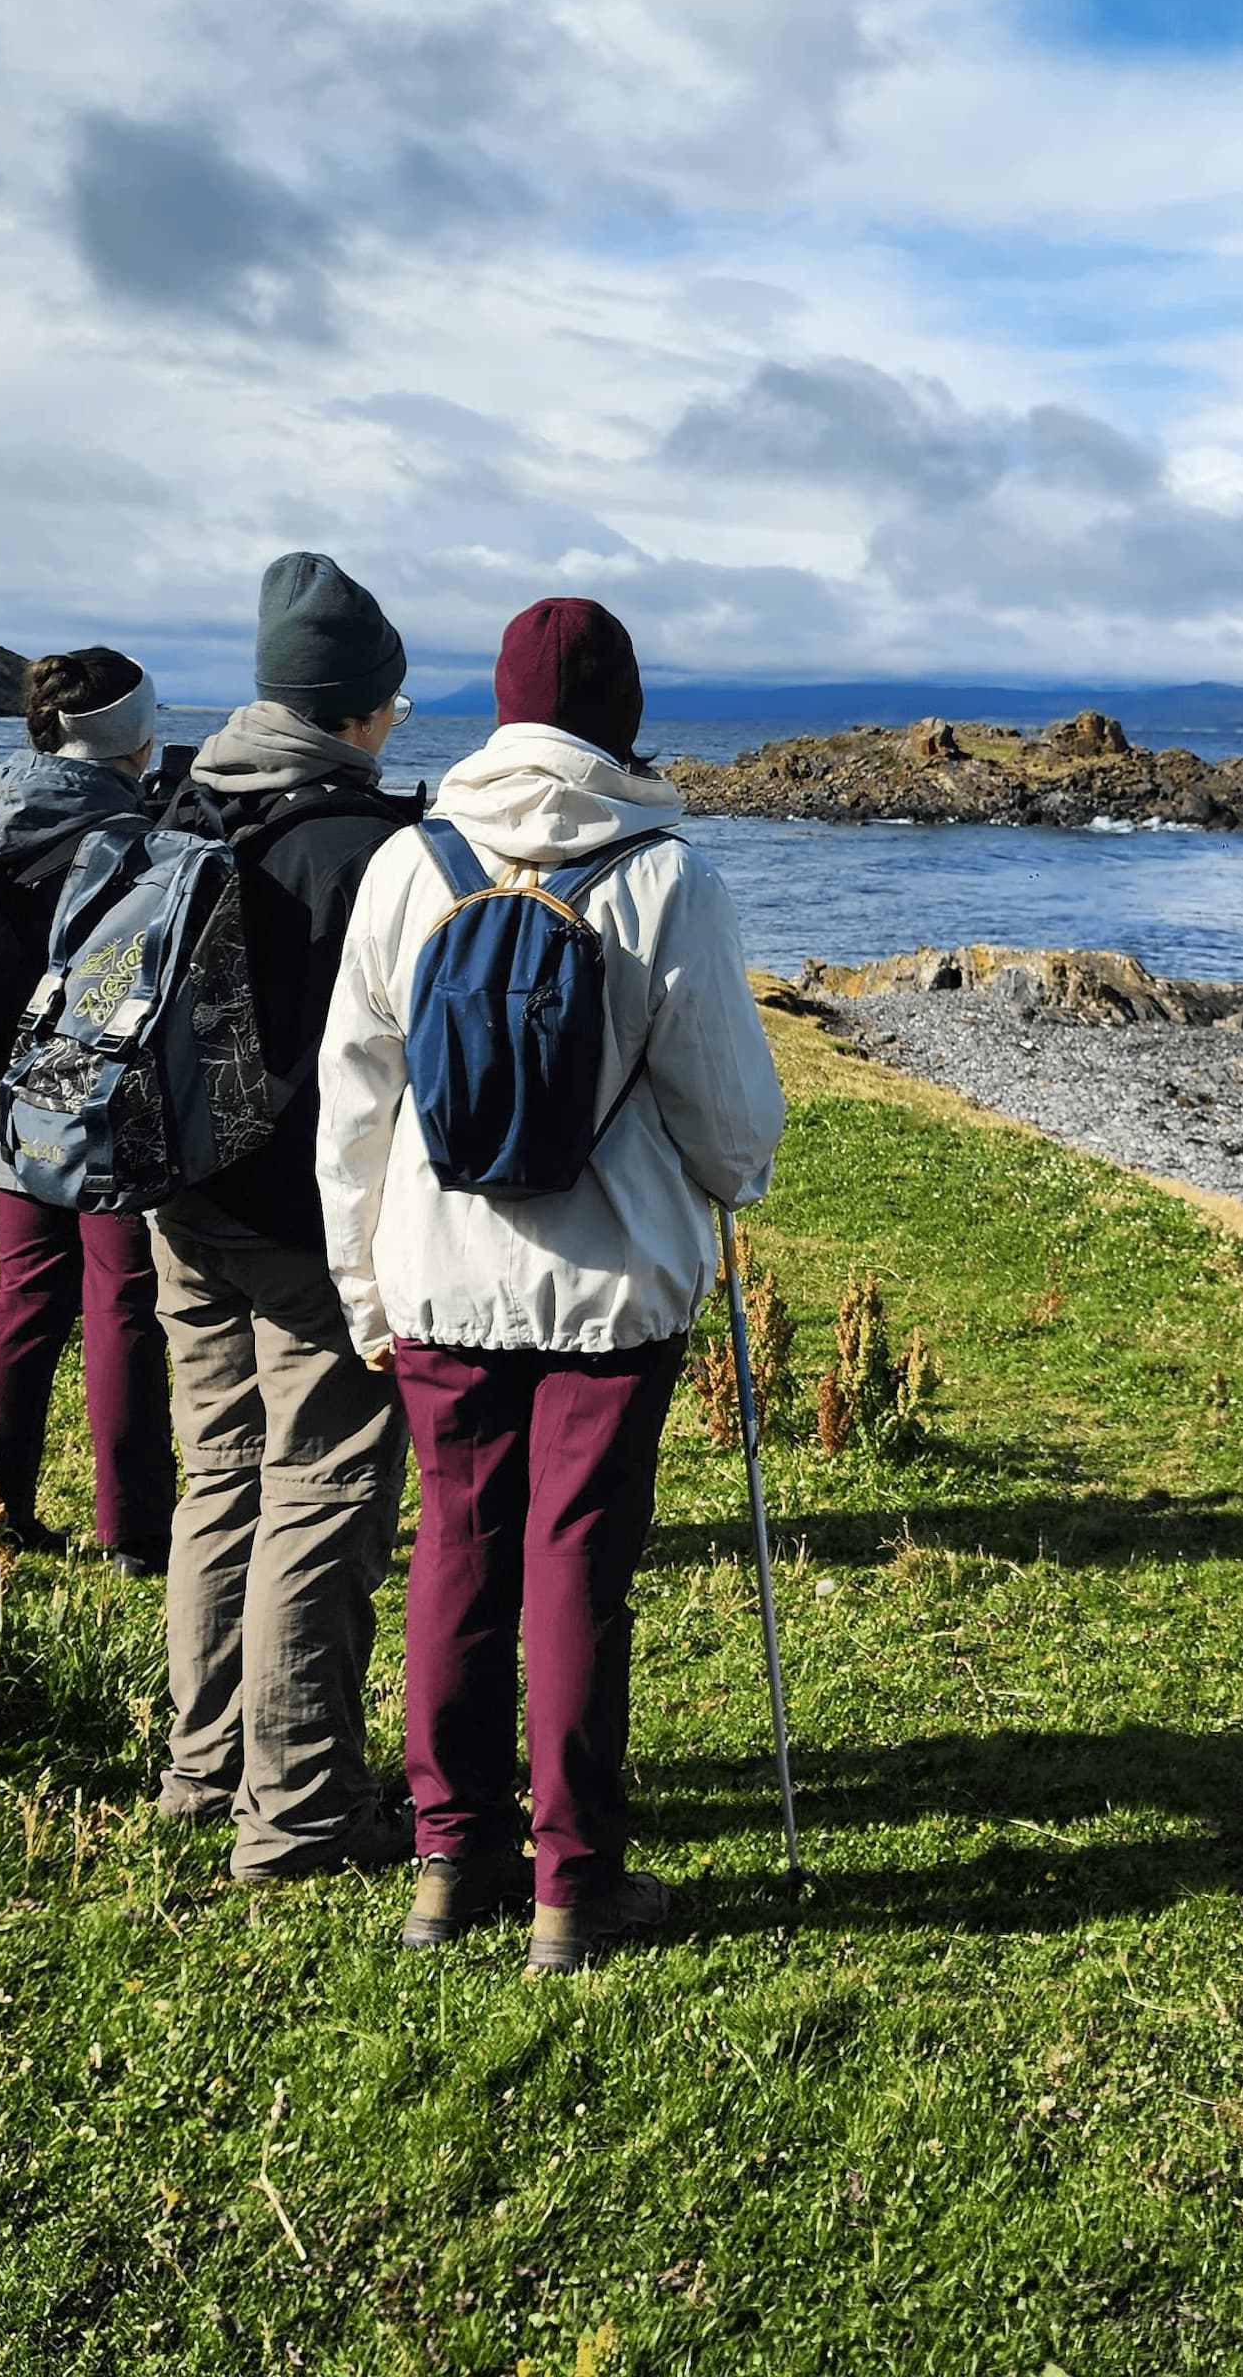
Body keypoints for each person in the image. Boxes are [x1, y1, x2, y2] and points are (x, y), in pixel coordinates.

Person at [321, 597, 786, 1972]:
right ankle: (573, 1890)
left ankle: (449, 1862)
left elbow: (354, 1097)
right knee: (579, 1570)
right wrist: (733, 1185)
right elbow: (730, 1117)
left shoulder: (412, 861)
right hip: (615, 1291)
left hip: (439, 1285)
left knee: (455, 1560)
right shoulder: (667, 874)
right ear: (624, 716)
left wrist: (367, 1286)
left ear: (507, 709)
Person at [146, 553, 426, 1884]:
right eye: (390, 700)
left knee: (224, 1478)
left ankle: (203, 1771)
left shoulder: (184, 806)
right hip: (304, 1223)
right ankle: (304, 1808)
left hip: (180, 1201)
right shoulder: (368, 850)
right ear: (357, 707)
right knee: (323, 1494)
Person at [0, 648, 175, 1576]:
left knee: (25, 1297)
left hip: (9, 1088)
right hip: (100, 1088)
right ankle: (134, 1527)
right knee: (123, 1301)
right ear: (134, 734)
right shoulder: (127, 835)